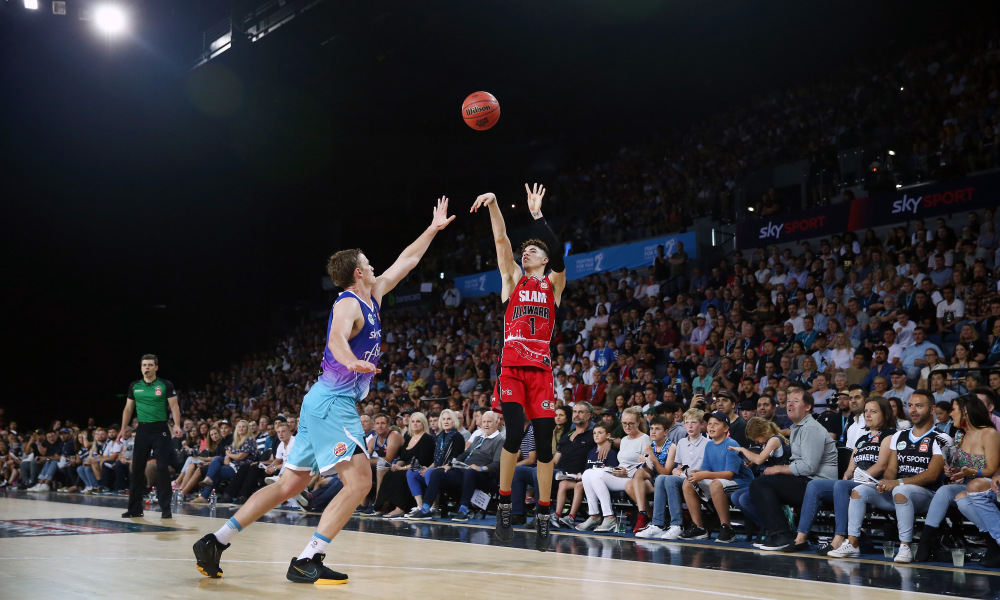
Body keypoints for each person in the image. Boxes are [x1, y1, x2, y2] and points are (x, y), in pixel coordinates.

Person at [192, 196, 454, 584]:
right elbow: (334, 339)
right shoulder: (348, 303)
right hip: (333, 402)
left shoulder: (374, 294)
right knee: (361, 481)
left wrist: (432, 229)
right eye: (368, 262)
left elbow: (408, 261)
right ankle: (308, 559)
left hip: (319, 401)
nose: (374, 265)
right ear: (357, 273)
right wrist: (350, 360)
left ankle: (216, 540)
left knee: (288, 484)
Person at [471, 183, 566, 551]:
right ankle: (505, 503)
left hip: (541, 371)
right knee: (513, 432)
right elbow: (501, 242)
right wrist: (495, 204)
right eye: (524, 250)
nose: (525, 252)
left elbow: (558, 254)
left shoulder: (554, 285)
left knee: (544, 445)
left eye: (532, 250)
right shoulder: (512, 280)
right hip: (511, 367)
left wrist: (538, 216)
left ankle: (544, 513)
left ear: (542, 260)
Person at [829, 390, 951, 563]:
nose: (913, 410)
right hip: (897, 490)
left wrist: (896, 482)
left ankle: (905, 547)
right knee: (860, 490)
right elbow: (891, 470)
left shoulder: (942, 438)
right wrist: (886, 482)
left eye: (919, 406)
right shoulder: (899, 435)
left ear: (932, 409)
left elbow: (932, 475)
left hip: (927, 495)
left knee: (902, 490)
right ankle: (853, 543)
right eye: (910, 406)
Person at [793, 397, 897, 555]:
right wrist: (848, 476)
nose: (867, 415)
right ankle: (800, 538)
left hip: (875, 485)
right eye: (866, 411)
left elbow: (881, 465)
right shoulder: (862, 439)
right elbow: (850, 468)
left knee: (841, 486)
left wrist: (855, 480)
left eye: (873, 411)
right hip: (855, 483)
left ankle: (839, 538)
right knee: (814, 485)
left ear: (885, 414)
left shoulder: (889, 435)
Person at [749, 389, 839, 551]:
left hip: (818, 483)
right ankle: (776, 532)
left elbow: (808, 467)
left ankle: (782, 534)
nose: (789, 404)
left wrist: (779, 469)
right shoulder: (797, 427)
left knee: (761, 484)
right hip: (805, 480)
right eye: (788, 400)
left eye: (796, 401)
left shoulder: (811, 429)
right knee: (760, 483)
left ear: (808, 407)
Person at [914, 394, 999, 562]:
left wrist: (970, 472)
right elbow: (959, 468)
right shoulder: (959, 436)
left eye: (953, 410)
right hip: (968, 485)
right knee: (949, 492)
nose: (950, 413)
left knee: (967, 491)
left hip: (989, 484)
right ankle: (926, 541)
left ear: (965, 411)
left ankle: (994, 544)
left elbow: (992, 469)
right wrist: (952, 470)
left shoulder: (989, 433)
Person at [118, 354, 182, 519]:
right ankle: (134, 509)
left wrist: (177, 425)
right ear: (141, 368)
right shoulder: (135, 386)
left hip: (160, 429)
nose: (146, 367)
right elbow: (127, 409)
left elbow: (174, 406)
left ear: (156, 367)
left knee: (162, 468)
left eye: (150, 365)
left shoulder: (165, 384)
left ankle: (166, 508)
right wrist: (123, 429)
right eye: (144, 365)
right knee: (137, 469)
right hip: (143, 430)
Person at [679, 411, 754, 543]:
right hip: (720, 481)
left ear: (726, 428)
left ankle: (727, 529)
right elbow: (707, 470)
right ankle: (699, 527)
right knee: (688, 482)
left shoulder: (732, 444)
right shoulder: (709, 445)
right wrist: (696, 472)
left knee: (715, 484)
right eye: (709, 424)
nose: (711, 427)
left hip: (741, 483)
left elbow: (729, 474)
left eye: (716, 424)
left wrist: (705, 474)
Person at [577, 407, 649, 532]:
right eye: (624, 423)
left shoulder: (644, 439)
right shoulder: (625, 439)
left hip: (632, 477)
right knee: (588, 473)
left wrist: (628, 472)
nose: (627, 426)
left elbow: (648, 467)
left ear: (638, 423)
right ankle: (594, 515)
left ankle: (609, 517)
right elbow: (622, 459)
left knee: (595, 475)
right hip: (620, 473)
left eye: (631, 423)